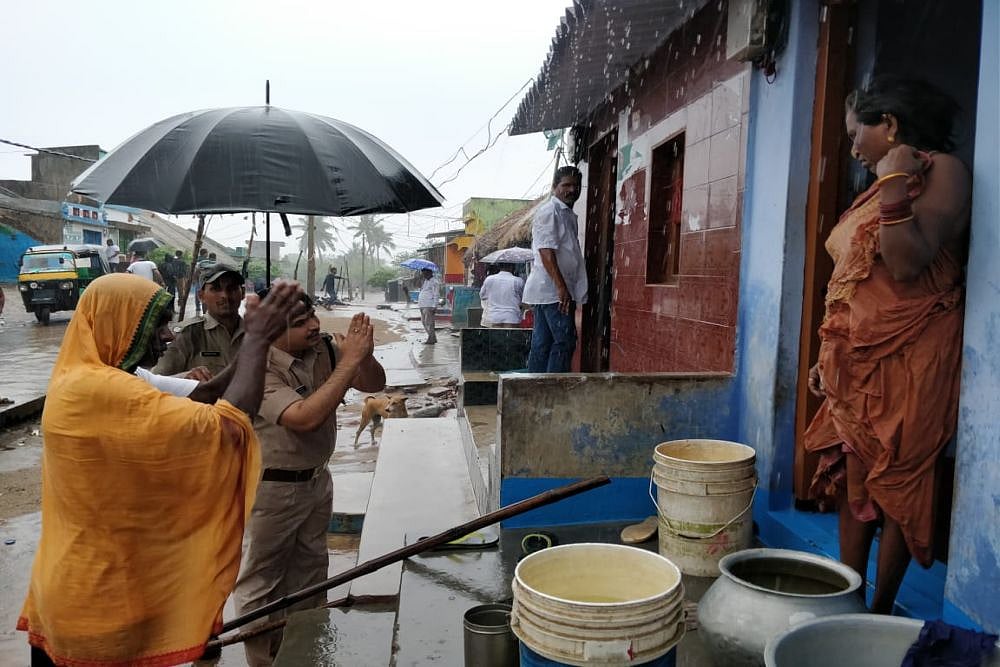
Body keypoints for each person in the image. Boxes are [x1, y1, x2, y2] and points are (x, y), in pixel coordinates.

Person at [17, 273, 307, 667]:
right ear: (118, 326)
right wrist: (257, 341)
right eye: (156, 325)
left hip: (102, 589)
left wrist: (257, 340)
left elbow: (207, 393)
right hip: (96, 604)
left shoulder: (108, 376)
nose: (169, 336)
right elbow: (225, 427)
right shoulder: (95, 390)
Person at [803, 78, 970, 614]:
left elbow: (904, 262)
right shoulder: (875, 187)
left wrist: (896, 177)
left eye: (857, 134)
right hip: (858, 362)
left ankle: (880, 614)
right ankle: (848, 600)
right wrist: (827, 355)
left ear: (890, 126)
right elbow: (855, 277)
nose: (852, 148)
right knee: (856, 476)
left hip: (913, 355)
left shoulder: (941, 171)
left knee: (897, 481)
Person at [233, 296, 385, 666]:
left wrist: (361, 357)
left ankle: (304, 650)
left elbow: (373, 383)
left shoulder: (324, 350)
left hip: (316, 480)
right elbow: (303, 417)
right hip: (272, 489)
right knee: (262, 580)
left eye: (312, 315)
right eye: (300, 322)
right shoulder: (257, 367)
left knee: (312, 571)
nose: (314, 326)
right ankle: (262, 659)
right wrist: (349, 362)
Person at [523, 165, 587, 372]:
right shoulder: (550, 212)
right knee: (565, 341)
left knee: (542, 343)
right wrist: (561, 288)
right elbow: (546, 251)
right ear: (554, 187)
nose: (571, 190)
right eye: (566, 185)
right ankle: (553, 391)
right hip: (553, 290)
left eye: (575, 186)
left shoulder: (565, 213)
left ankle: (534, 390)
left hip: (553, 289)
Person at [153, 263, 245, 379]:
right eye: (216, 289)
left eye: (231, 288)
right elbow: (156, 382)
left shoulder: (257, 334)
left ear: (243, 293)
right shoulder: (187, 334)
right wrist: (184, 378)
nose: (225, 296)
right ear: (201, 296)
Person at [479, 263, 525, 327]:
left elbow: (482, 296)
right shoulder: (518, 281)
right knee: (511, 336)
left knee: (497, 336)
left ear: (499, 267)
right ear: (512, 267)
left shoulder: (489, 279)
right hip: (512, 317)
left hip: (494, 316)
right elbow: (523, 299)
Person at [416, 267, 441, 344]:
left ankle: (431, 339)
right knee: (424, 322)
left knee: (429, 323)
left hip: (429, 305)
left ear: (429, 273)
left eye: (424, 273)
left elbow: (436, 294)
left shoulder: (434, 282)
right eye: (422, 273)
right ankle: (432, 337)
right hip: (422, 305)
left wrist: (434, 305)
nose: (423, 275)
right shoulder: (425, 281)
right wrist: (419, 278)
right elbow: (418, 286)